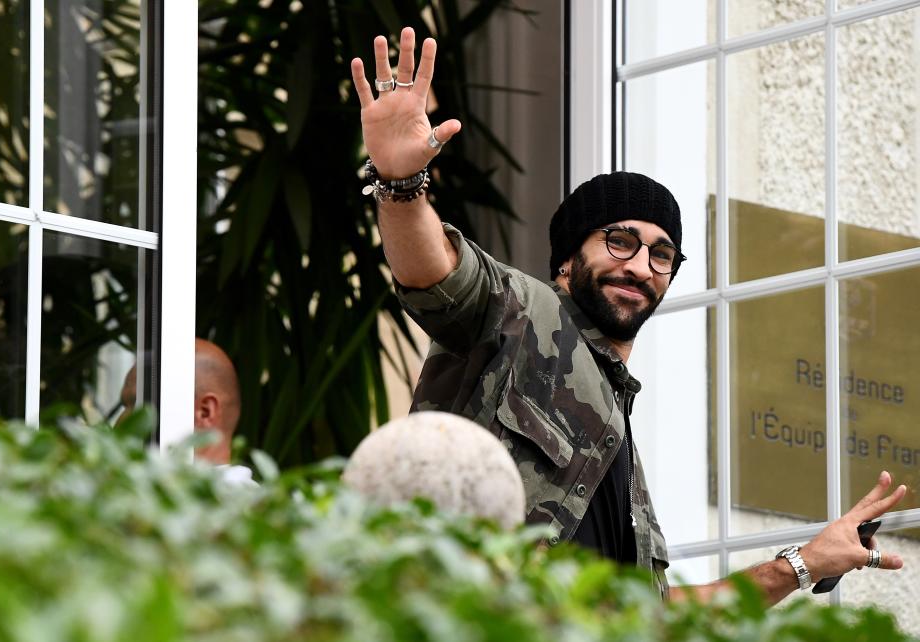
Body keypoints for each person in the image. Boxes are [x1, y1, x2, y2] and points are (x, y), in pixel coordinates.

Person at [350, 27, 907, 604]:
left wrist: (804, 563)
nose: (641, 265)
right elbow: (437, 274)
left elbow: (657, 621)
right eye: (619, 240)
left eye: (661, 253)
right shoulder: (521, 312)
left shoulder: (619, 436)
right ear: (568, 259)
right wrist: (400, 185)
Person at [119, 339, 253, 485]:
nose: (120, 422)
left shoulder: (232, 502)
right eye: (125, 407)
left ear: (205, 412)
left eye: (140, 407)